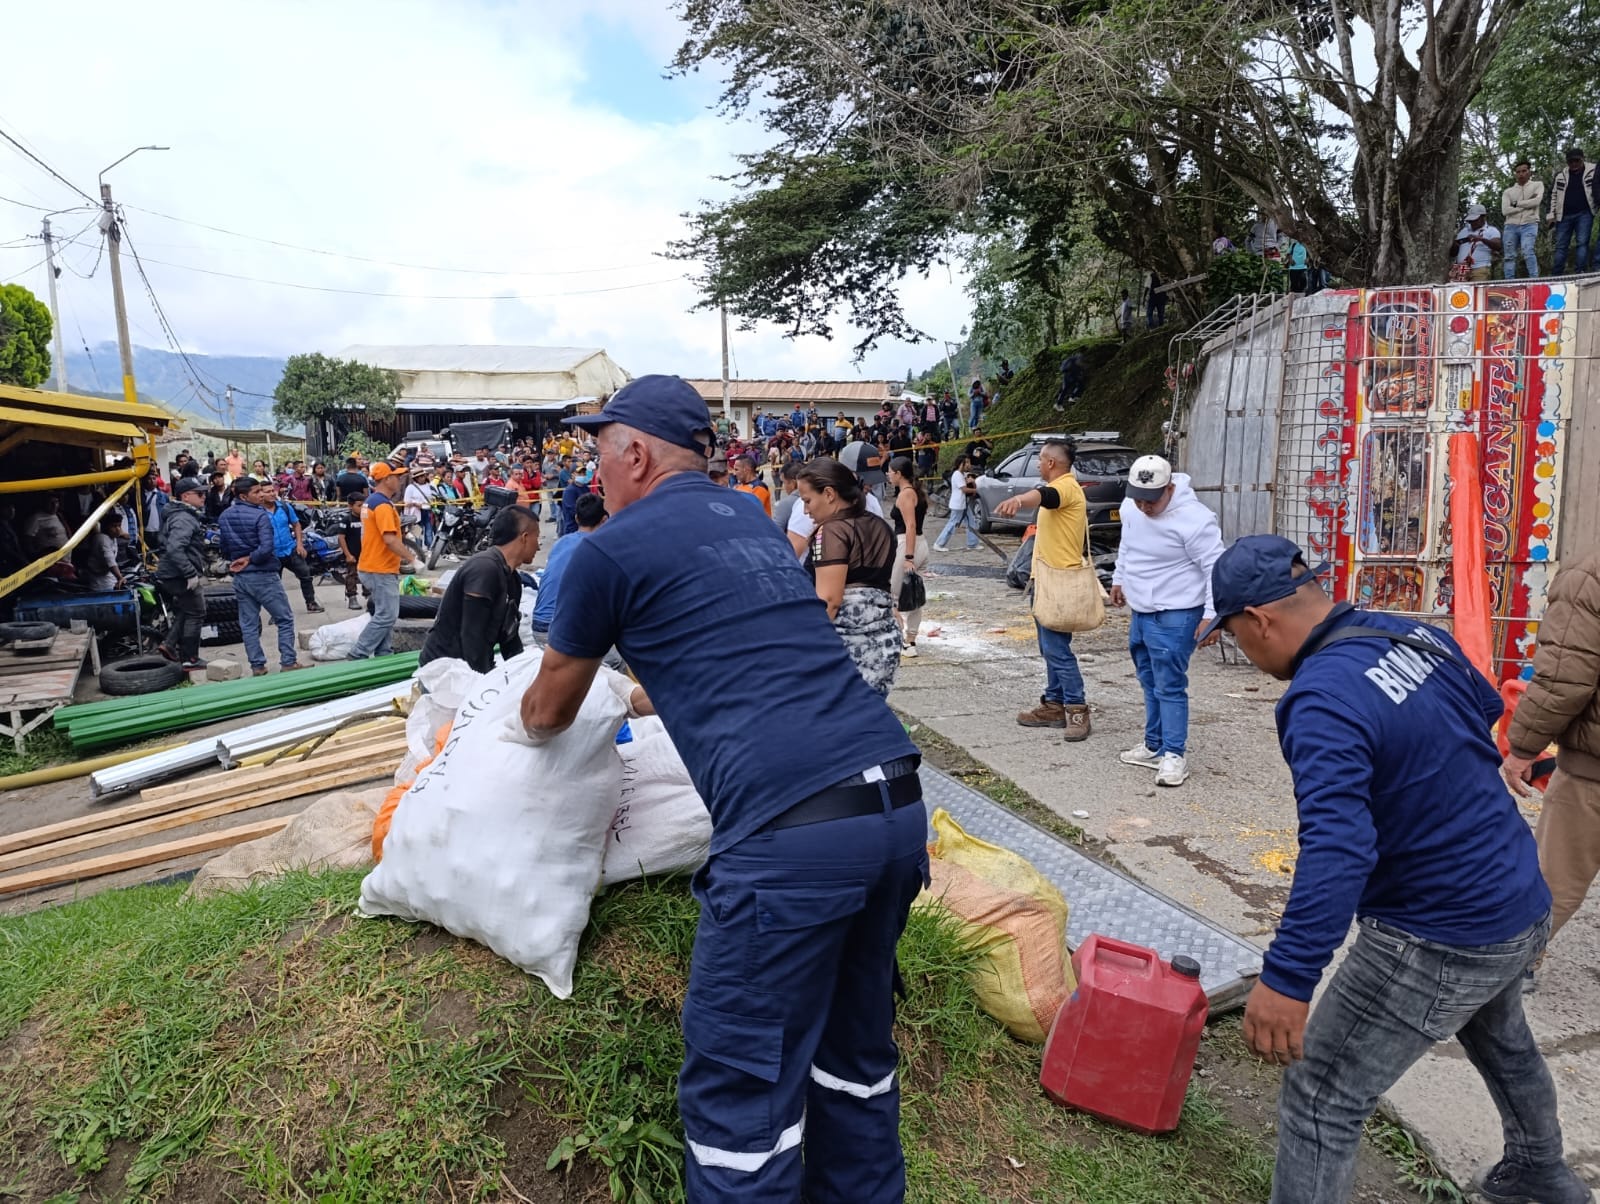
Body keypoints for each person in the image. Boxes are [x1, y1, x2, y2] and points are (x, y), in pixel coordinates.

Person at [518, 376, 925, 1204]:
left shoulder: (606, 550)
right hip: (894, 801)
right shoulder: (749, 516)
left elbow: (547, 712)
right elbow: (736, 645)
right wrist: (644, 691)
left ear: (633, 452)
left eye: (600, 449)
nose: (596, 469)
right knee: (854, 1068)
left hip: (791, 838)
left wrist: (514, 709)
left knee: (743, 1108)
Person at [1204, 535, 1588, 1204]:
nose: (1242, 648)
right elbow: (1486, 710)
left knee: (1322, 1091)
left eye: (1233, 634)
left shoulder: (1320, 698)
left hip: (1439, 931)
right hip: (1519, 893)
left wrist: (1289, 978)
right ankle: (1540, 1174)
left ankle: (1540, 1175)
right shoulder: (1406, 633)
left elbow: (1339, 847)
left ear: (1258, 620)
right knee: (1502, 1037)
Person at [1502, 552, 1600, 947]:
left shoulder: (1588, 575)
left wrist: (1522, 748)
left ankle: (1512, 963)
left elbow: (1564, 678)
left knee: (1552, 880)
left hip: (1592, 773)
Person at [1109, 455, 1225, 787]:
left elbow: (1214, 568)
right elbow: (1128, 545)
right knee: (1148, 679)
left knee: (1170, 684)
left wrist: (1211, 616)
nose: (1144, 506)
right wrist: (1120, 580)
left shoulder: (1195, 520)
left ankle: (1174, 755)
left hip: (1177, 613)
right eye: (1138, 498)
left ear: (1170, 488)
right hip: (1141, 611)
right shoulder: (1132, 507)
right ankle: (1153, 745)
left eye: (1152, 499)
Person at [995, 439, 1091, 740]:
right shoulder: (1066, 486)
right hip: (1047, 580)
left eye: (1040, 459)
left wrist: (1019, 500)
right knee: (1049, 648)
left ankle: (1077, 710)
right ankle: (1053, 703)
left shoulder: (1065, 487)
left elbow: (1045, 495)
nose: (1038, 464)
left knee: (1057, 649)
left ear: (1051, 462)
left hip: (1059, 583)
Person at [799, 457, 901, 696]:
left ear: (829, 493)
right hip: (883, 641)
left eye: (807, 500)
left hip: (845, 646)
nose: (806, 510)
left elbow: (830, 601)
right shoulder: (879, 525)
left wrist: (803, 649)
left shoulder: (831, 531)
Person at [420, 505, 539, 674]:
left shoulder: (512, 580)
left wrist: (521, 674)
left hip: (472, 669)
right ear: (525, 538)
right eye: (537, 538)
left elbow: (509, 638)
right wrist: (484, 683)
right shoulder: (484, 569)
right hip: (446, 673)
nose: (539, 547)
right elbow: (472, 637)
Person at [218, 477, 301, 676]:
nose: (262, 495)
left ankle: (257, 666)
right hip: (263, 575)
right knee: (285, 619)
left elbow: (224, 547)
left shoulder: (225, 516)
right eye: (256, 492)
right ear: (243, 496)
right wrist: (249, 558)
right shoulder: (260, 515)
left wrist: (240, 559)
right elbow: (266, 548)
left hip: (240, 577)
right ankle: (288, 661)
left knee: (248, 624)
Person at [348, 463, 417, 661]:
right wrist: (412, 558)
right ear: (387, 479)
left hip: (372, 565)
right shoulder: (383, 506)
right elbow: (390, 539)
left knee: (383, 614)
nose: (400, 480)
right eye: (396, 477)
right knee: (387, 615)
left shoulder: (371, 502)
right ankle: (358, 653)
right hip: (380, 568)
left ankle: (384, 655)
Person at [532, 493, 607, 643]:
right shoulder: (599, 547)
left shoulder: (561, 543)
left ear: (577, 518)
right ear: (605, 520)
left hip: (539, 626)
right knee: (615, 660)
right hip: (562, 631)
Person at [155, 477, 208, 670]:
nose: (204, 497)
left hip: (172, 573)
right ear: (186, 497)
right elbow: (175, 548)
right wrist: (190, 574)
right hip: (178, 575)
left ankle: (169, 645)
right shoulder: (183, 518)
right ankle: (190, 659)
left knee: (188, 610)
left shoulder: (180, 515)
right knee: (197, 612)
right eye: (200, 494)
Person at [886, 457, 929, 659]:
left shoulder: (905, 495)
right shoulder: (918, 492)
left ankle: (899, 636)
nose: (888, 474)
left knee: (892, 593)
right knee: (915, 594)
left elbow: (910, 525)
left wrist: (909, 557)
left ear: (898, 473)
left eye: (890, 471)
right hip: (921, 543)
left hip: (907, 544)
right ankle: (910, 639)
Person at [262, 482, 323, 614]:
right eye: (268, 491)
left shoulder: (284, 507)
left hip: (290, 549)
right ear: (261, 494)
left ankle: (311, 603)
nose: (272, 493)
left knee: (305, 575)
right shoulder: (258, 512)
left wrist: (299, 544)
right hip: (271, 554)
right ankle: (277, 612)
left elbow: (296, 525)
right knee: (274, 584)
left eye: (273, 490)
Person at [1548, 146, 1596, 275]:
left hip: (1585, 213)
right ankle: (1556, 274)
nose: (1574, 164)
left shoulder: (1593, 170)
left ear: (1582, 159)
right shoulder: (1560, 175)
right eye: (1571, 161)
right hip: (1563, 215)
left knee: (1582, 243)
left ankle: (1580, 271)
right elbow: (1553, 195)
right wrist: (1551, 215)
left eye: (1577, 161)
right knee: (1561, 246)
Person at [1501, 159, 1544, 279]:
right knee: (1509, 256)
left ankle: (1534, 279)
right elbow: (1505, 211)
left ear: (1529, 172)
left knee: (1528, 251)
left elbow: (1536, 201)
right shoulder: (1508, 191)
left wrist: (1515, 204)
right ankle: (1509, 281)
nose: (1521, 174)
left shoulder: (1537, 185)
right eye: (1518, 172)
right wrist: (1526, 206)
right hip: (1511, 225)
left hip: (1529, 223)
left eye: (1524, 171)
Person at [932, 454, 981, 552]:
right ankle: (939, 543)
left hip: (963, 504)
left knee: (971, 521)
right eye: (966, 462)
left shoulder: (963, 474)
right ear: (961, 463)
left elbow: (971, 486)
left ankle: (972, 543)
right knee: (953, 523)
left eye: (969, 462)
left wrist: (973, 483)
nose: (969, 464)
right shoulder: (957, 474)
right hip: (958, 504)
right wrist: (975, 490)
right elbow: (964, 489)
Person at [332, 492, 366, 611]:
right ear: (350, 506)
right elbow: (341, 537)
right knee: (352, 575)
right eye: (359, 505)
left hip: (366, 553)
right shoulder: (346, 520)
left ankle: (369, 596)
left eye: (364, 505)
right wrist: (347, 554)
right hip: (352, 553)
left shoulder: (368, 518)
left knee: (368, 575)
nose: (362, 508)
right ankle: (352, 597)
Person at [1451, 203, 1501, 282]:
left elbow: (1498, 246)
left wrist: (1481, 239)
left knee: (1478, 292)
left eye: (1475, 220)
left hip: (1480, 269)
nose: (1472, 223)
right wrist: (1455, 244)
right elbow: (1453, 253)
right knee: (1459, 293)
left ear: (1483, 217)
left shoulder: (1491, 231)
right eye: (1470, 221)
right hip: (1461, 269)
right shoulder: (1463, 231)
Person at [77, 514, 126, 591]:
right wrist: (120, 577)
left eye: (119, 526)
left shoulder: (112, 538)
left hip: (110, 580)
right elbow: (110, 560)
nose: (118, 529)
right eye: (114, 526)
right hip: (100, 584)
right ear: (106, 527)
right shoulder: (102, 539)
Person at [22, 495, 68, 559]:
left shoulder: (59, 516)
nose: (54, 505)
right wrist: (35, 557)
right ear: (44, 503)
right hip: (48, 560)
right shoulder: (35, 518)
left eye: (56, 502)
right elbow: (27, 541)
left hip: (65, 558)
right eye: (51, 502)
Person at [771, 461, 803, 532]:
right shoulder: (818, 498)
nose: (784, 487)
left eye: (784, 482)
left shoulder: (785, 504)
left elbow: (776, 533)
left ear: (793, 483)